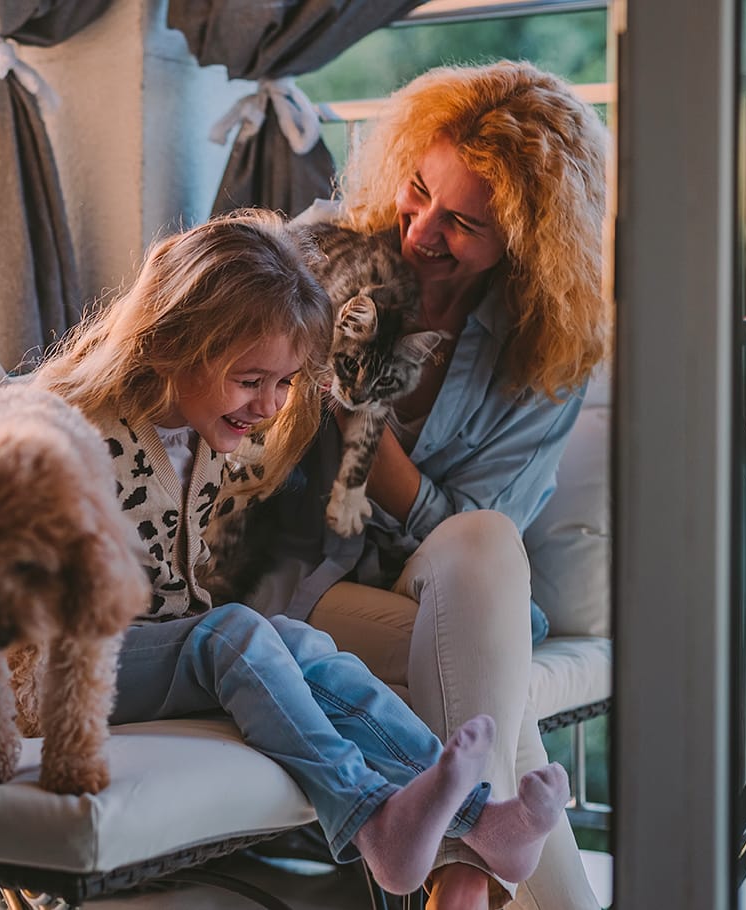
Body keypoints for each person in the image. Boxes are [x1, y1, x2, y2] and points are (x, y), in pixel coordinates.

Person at [32, 209, 570, 900]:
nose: (270, 403)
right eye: (252, 379)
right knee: (233, 633)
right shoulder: (70, 432)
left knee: (301, 645)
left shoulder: (199, 431)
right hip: (55, 668)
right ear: (172, 343)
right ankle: (373, 823)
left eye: (285, 382)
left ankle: (477, 820)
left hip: (139, 649)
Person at [253, 62, 612, 910]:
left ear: (526, 239)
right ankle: (465, 887)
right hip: (297, 575)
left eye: (463, 223)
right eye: (417, 191)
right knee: (497, 684)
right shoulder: (317, 254)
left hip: (432, 581)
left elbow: (481, 523)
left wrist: (368, 443)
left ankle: (458, 876)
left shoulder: (546, 350)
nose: (420, 231)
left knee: (485, 541)